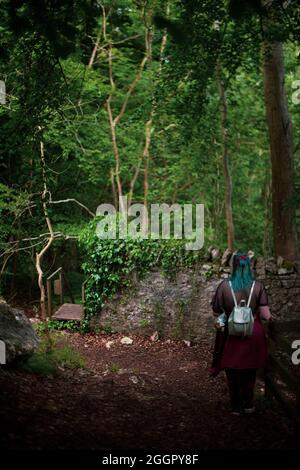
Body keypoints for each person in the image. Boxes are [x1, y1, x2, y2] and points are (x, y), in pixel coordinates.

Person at [210, 251, 272, 415]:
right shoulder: (258, 286)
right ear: (249, 266)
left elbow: (216, 310)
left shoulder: (224, 286)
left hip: (231, 333)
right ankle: (248, 404)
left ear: (234, 266)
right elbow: (266, 315)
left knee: (232, 370)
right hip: (252, 333)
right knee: (250, 370)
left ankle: (235, 405)